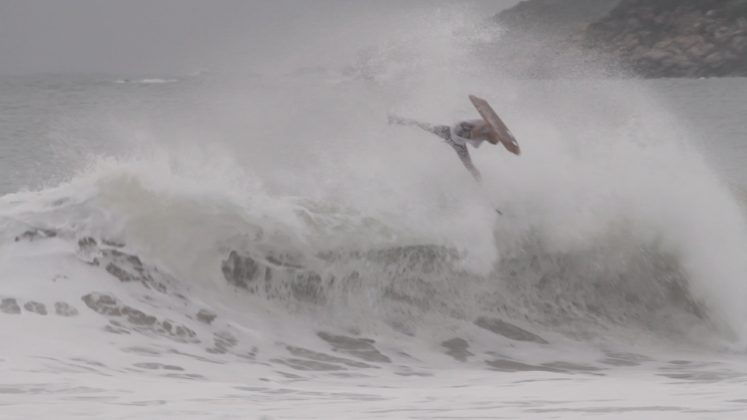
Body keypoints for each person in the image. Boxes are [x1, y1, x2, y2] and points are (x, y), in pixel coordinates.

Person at [388, 114, 498, 183]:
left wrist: (490, 130)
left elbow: (492, 140)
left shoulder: (480, 141)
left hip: (456, 142)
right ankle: (397, 119)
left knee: (471, 168)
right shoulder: (480, 124)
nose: (492, 139)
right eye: (492, 137)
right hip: (450, 131)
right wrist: (487, 123)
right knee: (423, 125)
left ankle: (482, 189)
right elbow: (475, 130)